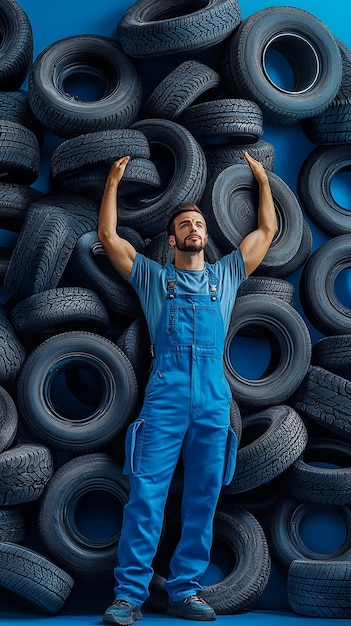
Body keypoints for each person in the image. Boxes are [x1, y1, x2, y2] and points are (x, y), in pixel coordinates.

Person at [98, 152, 277, 625]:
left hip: (215, 398)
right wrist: (113, 182)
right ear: (173, 238)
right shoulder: (154, 279)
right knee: (146, 493)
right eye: (185, 225)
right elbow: (108, 238)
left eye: (198, 223)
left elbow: (266, 233)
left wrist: (261, 179)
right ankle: (128, 597)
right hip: (167, 394)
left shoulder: (228, 276)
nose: (194, 228)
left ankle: (186, 591)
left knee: (203, 497)